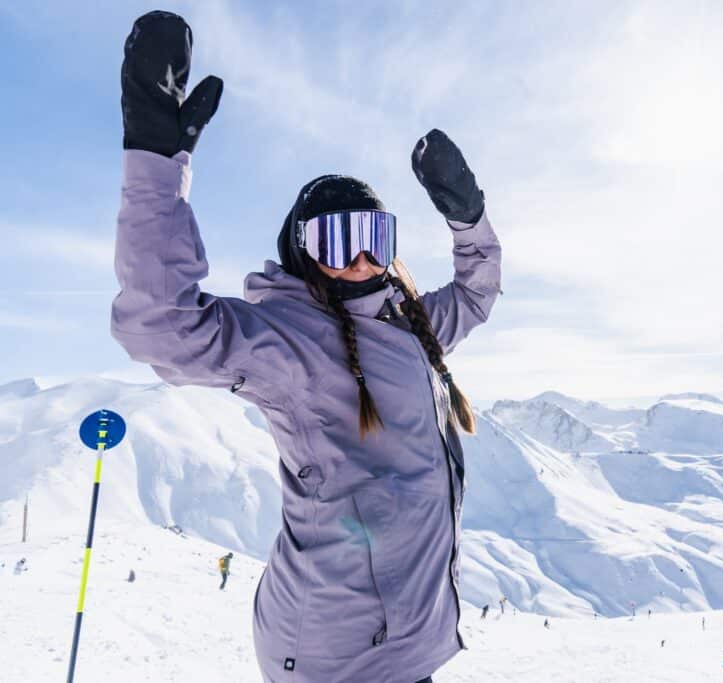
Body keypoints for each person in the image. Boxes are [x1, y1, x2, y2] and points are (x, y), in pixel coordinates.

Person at [111, 12, 501, 683]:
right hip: (337, 654)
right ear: (302, 251)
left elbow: (474, 296)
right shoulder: (287, 341)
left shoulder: (407, 323)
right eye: (332, 240)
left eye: (371, 238)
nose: (355, 259)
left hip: (403, 640)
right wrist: (154, 160)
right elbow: (162, 327)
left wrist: (469, 216)